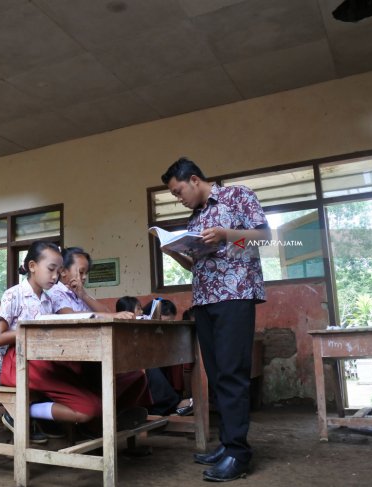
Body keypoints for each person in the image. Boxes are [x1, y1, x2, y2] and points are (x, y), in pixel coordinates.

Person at [161, 157, 270, 481]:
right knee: (218, 373)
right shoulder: (195, 220)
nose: (179, 199)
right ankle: (227, 443)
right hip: (205, 300)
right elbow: (195, 266)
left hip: (235, 295)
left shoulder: (238, 196)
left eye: (179, 192)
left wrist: (225, 234)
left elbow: (263, 237)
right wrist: (173, 251)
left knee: (233, 374)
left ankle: (239, 453)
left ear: (194, 180)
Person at [0, 241, 148, 443]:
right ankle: (20, 412)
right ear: (32, 266)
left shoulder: (48, 299)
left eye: (58, 271)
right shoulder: (14, 294)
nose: (55, 276)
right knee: (89, 407)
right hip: (21, 363)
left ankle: (88, 424)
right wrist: (32, 330)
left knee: (96, 394)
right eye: (51, 269)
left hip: (47, 360)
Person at [121, 298, 194, 417]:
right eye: (138, 309)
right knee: (149, 367)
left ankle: (168, 405)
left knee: (165, 362)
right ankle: (174, 403)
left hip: (145, 357)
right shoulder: (134, 325)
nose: (140, 312)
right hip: (133, 361)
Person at [48, 247, 135, 319]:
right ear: (63, 271)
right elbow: (69, 316)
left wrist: (84, 296)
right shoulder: (56, 292)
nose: (85, 277)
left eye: (86, 273)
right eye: (81, 272)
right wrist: (112, 315)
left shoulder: (80, 292)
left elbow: (107, 312)